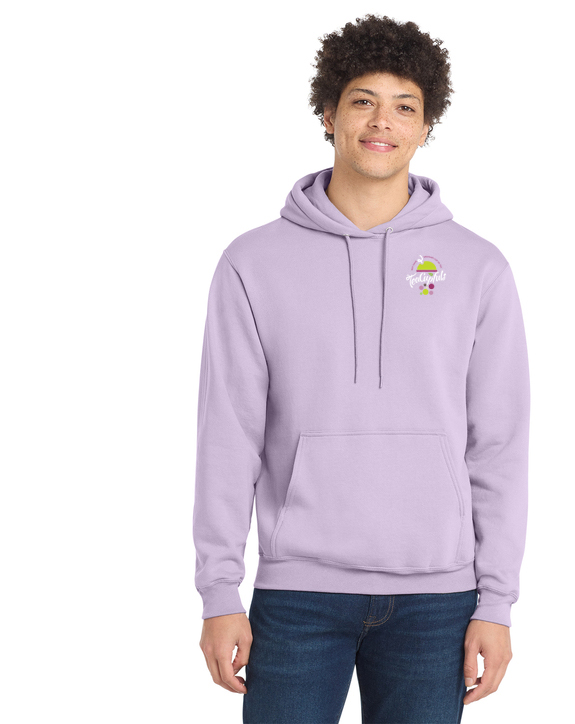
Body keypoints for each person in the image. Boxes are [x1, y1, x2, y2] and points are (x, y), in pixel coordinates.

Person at [193, 13, 530, 723]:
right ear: (328, 113)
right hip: (296, 596)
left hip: (439, 601)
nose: (383, 122)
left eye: (405, 106)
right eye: (363, 101)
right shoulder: (252, 263)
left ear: (426, 126)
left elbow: (498, 445)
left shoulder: (479, 267)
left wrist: (497, 601)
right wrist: (219, 592)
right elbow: (228, 436)